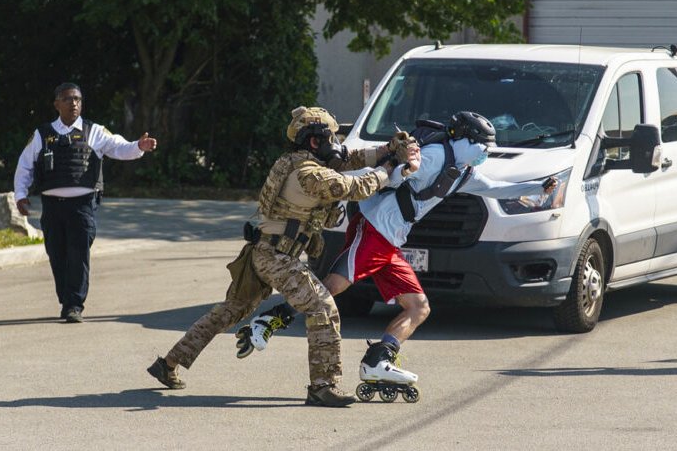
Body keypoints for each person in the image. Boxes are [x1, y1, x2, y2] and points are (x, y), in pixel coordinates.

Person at [236, 111, 558, 389]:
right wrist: (400, 169)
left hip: (391, 240)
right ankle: (269, 321)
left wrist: (537, 187)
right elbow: (389, 177)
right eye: (482, 146)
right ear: (463, 140)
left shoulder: (463, 172)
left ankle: (379, 360)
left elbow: (495, 188)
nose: (485, 153)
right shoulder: (433, 157)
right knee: (331, 288)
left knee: (418, 307)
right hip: (374, 228)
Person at [147, 106, 415, 407]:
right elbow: (357, 186)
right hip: (277, 257)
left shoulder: (296, 161)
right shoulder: (309, 174)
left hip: (265, 253)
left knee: (228, 312)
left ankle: (167, 364)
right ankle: (323, 386)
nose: (336, 143)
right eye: (331, 137)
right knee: (323, 308)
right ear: (314, 141)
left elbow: (348, 159)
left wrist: (387, 149)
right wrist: (389, 168)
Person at [13, 82, 157, 323]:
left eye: (77, 99)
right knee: (57, 255)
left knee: (78, 255)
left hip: (82, 206)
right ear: (57, 104)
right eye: (68, 99)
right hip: (52, 206)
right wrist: (20, 195)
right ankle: (66, 300)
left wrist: (138, 147)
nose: (74, 103)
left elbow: (118, 147)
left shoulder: (94, 131)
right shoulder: (42, 134)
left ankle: (74, 305)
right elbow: (24, 166)